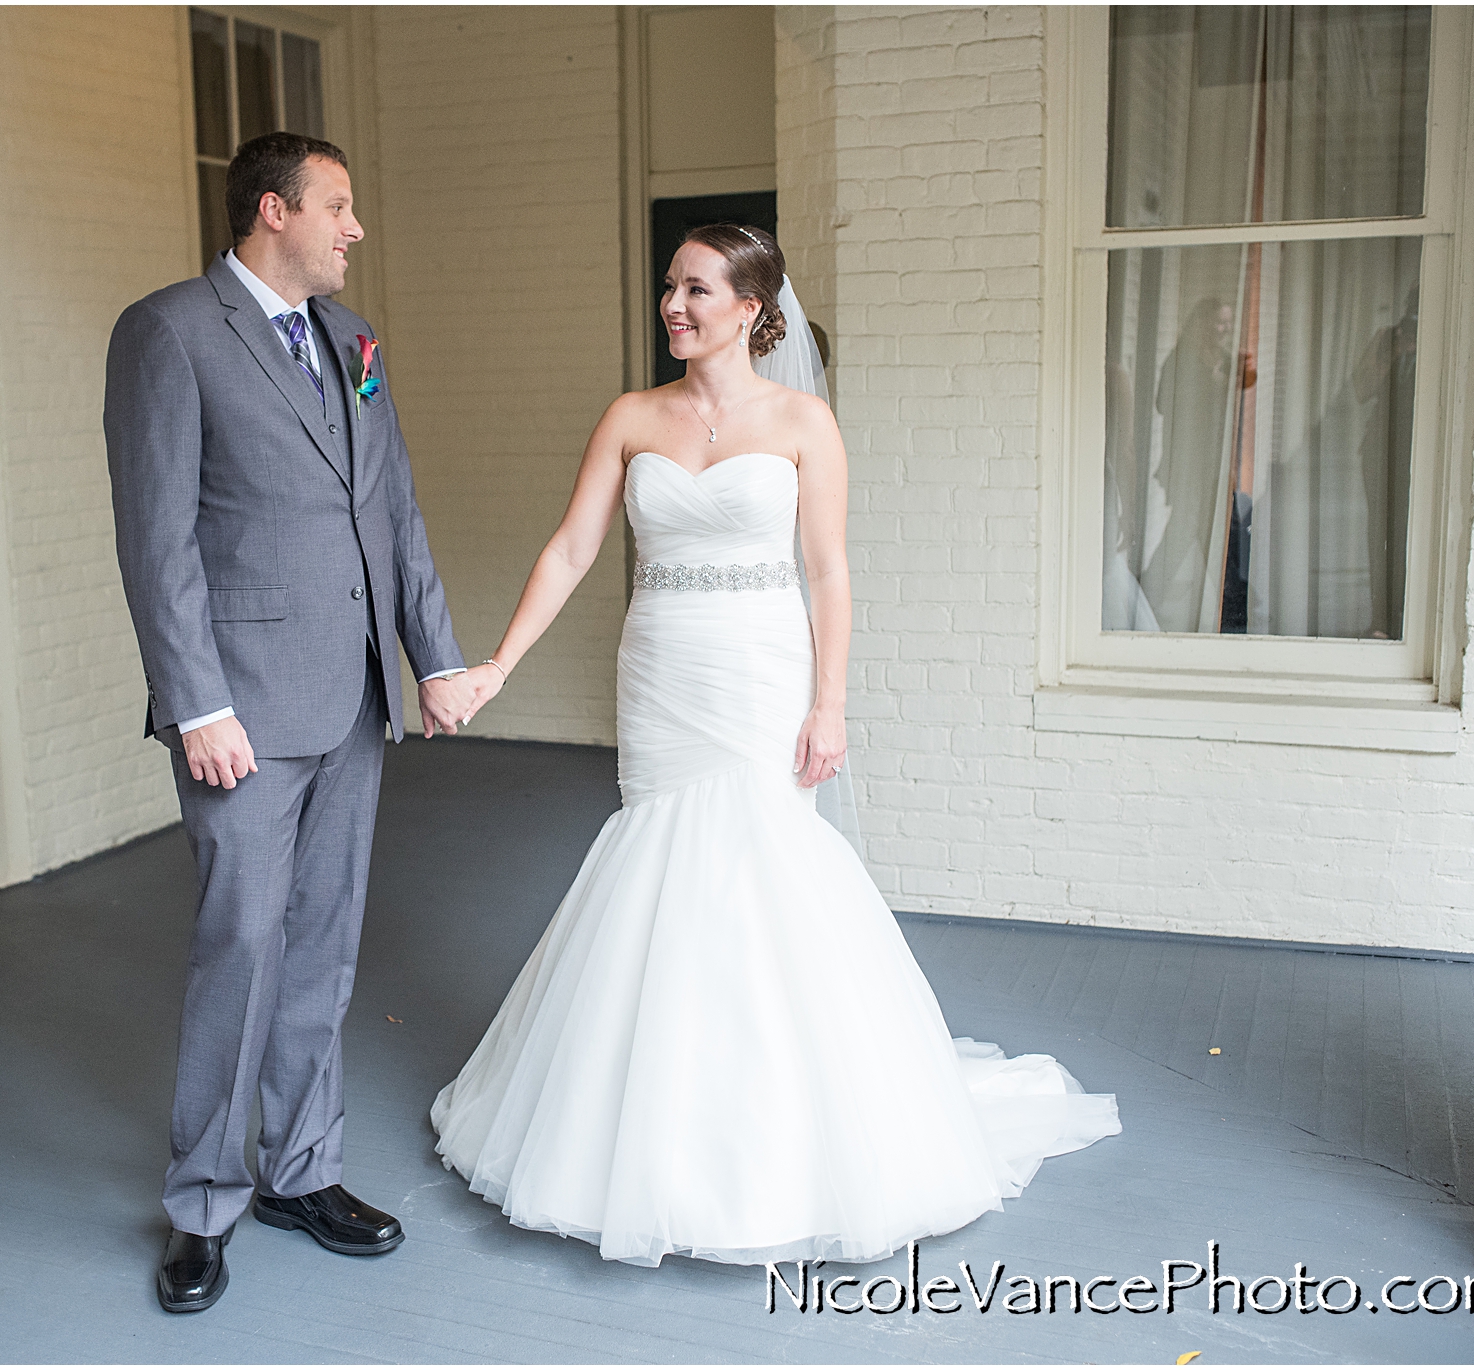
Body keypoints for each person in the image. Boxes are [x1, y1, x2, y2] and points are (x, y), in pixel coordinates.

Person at [430, 224, 1122, 1267]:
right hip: (662, 668)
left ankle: (775, 1138)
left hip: (760, 671)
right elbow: (571, 547)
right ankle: (647, 1122)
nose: (674, 305)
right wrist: (496, 664)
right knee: (658, 865)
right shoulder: (629, 416)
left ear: (753, 309)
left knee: (759, 871)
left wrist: (828, 702)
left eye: (697, 289)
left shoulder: (804, 422)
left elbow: (829, 573)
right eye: (669, 287)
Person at [104, 132, 476, 1312]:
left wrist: (434, 657)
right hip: (243, 716)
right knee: (241, 946)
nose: (353, 230)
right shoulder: (168, 332)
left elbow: (393, 511)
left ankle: (300, 1170)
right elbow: (154, 536)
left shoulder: (353, 339)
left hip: (354, 696)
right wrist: (196, 702)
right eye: (339, 207)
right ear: (275, 210)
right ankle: (204, 1200)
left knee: (322, 943)